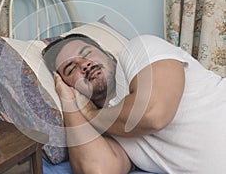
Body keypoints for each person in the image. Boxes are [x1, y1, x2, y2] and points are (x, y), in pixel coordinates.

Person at [42, 33, 226, 174]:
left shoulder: (139, 49)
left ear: (108, 55)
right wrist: (69, 104)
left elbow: (152, 114)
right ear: (69, 85)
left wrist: (90, 113)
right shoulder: (109, 127)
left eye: (87, 53)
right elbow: (98, 169)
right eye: (71, 68)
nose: (84, 64)